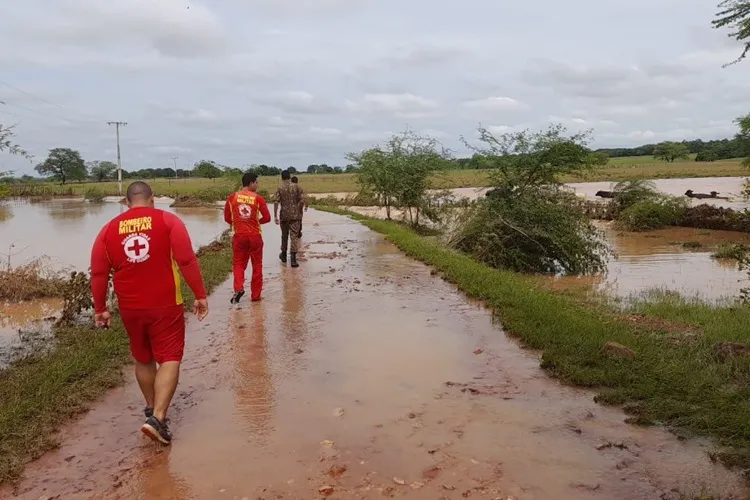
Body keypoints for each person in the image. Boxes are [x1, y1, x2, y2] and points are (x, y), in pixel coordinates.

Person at [90, 181, 209, 445]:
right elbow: (187, 260)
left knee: (143, 357)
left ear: (126, 201)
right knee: (169, 357)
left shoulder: (108, 230)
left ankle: (152, 409)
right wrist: (200, 295)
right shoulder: (168, 221)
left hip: (130, 307)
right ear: (152, 200)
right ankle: (157, 417)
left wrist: (100, 309)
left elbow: (98, 273)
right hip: (165, 304)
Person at [224, 172, 271, 304]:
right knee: (257, 266)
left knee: (238, 264)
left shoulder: (232, 198)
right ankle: (255, 296)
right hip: (255, 237)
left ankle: (238, 288)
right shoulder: (258, 198)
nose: (257, 185)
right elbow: (267, 218)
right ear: (250, 183)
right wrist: (256, 222)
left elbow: (228, 218)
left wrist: (240, 223)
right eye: (256, 182)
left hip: (239, 236)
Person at [274, 169, 304, 268]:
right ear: (290, 177)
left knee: (284, 235)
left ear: (282, 177)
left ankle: (283, 255)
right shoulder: (297, 187)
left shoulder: (279, 188)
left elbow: (276, 202)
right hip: (295, 216)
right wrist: (298, 210)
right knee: (294, 236)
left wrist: (275, 215)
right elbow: (302, 200)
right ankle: (293, 259)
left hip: (284, 216)